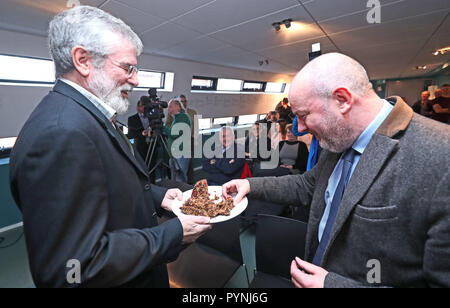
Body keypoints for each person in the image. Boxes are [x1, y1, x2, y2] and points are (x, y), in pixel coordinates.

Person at [9, 6, 211, 288]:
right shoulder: (61, 133)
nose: (136, 79)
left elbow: (108, 182)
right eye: (128, 68)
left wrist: (159, 197)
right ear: (83, 60)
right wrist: (174, 234)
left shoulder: (87, 116)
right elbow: (70, 270)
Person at [223, 53, 450, 288]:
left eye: (303, 115)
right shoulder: (340, 137)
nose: (299, 129)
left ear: (342, 100)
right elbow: (307, 185)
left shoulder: (441, 156)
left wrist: (332, 285)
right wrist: (249, 184)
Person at [164, 99, 192, 182]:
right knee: (175, 178)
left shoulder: (183, 117)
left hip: (181, 153)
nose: (168, 109)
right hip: (176, 153)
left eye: (170, 107)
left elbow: (175, 134)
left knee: (180, 178)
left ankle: (182, 193)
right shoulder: (177, 118)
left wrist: (163, 127)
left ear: (178, 107)